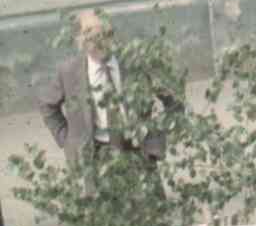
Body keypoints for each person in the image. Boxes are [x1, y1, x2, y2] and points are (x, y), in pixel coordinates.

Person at [39, 10, 177, 168]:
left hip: (137, 150)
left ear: (113, 35)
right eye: (92, 37)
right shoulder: (68, 71)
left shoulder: (136, 63)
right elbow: (47, 105)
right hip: (93, 157)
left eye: (106, 34)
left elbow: (173, 97)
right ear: (80, 41)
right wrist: (68, 140)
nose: (100, 43)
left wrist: (157, 136)